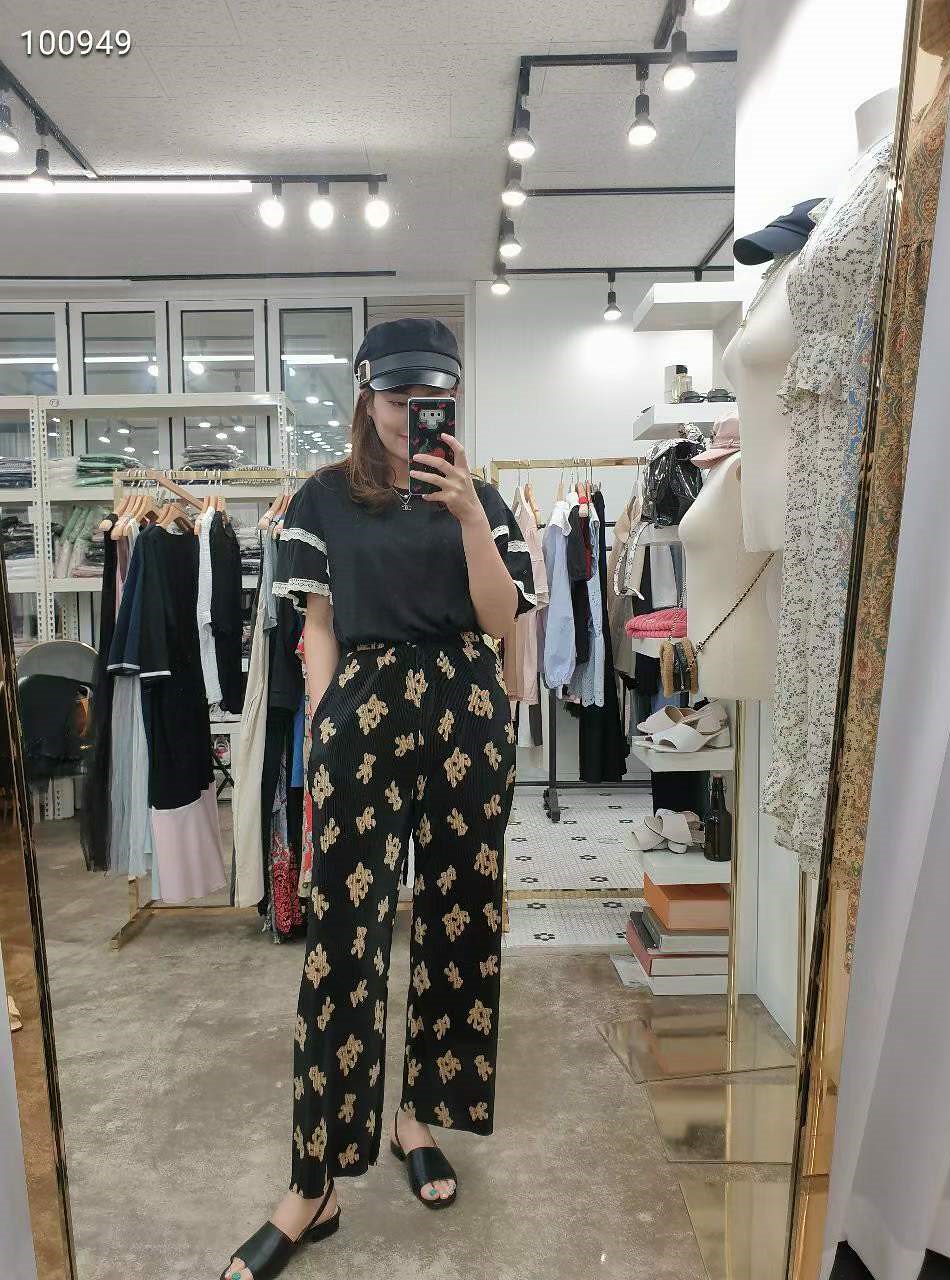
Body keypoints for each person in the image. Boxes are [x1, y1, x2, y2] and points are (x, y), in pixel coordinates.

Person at [221, 318, 536, 1280]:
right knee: (342, 942)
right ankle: (311, 1181)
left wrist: (472, 518)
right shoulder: (324, 496)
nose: (414, 415)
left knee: (459, 921)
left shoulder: (479, 496)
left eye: (433, 399)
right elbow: (317, 623)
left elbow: (499, 620)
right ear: (367, 395)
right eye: (399, 398)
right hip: (364, 711)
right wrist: (325, 716)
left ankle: (416, 1117)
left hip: (466, 711)